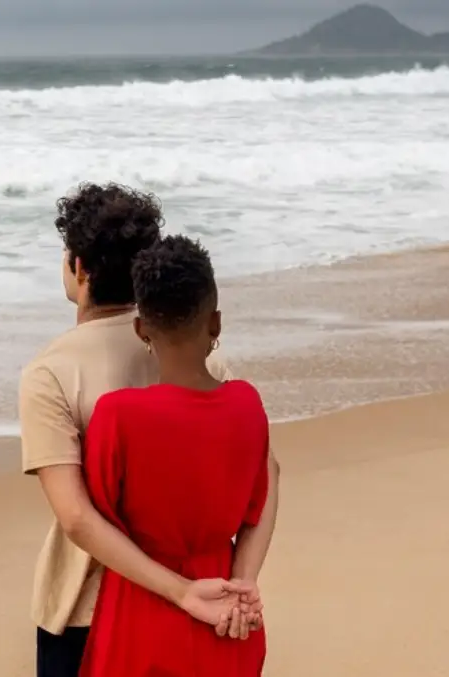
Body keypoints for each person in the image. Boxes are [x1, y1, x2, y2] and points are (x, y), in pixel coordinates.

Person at [18, 183, 279, 677]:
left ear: (78, 267)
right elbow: (266, 479)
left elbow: (76, 517)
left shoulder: (49, 373)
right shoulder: (198, 354)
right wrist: (242, 581)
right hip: (210, 593)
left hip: (90, 607)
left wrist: (181, 592)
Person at [78, 234, 272, 677]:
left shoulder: (118, 416)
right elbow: (260, 497)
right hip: (227, 610)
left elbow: (98, 515)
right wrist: (243, 581)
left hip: (142, 605)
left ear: (141, 329)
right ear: (215, 323)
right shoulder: (246, 404)